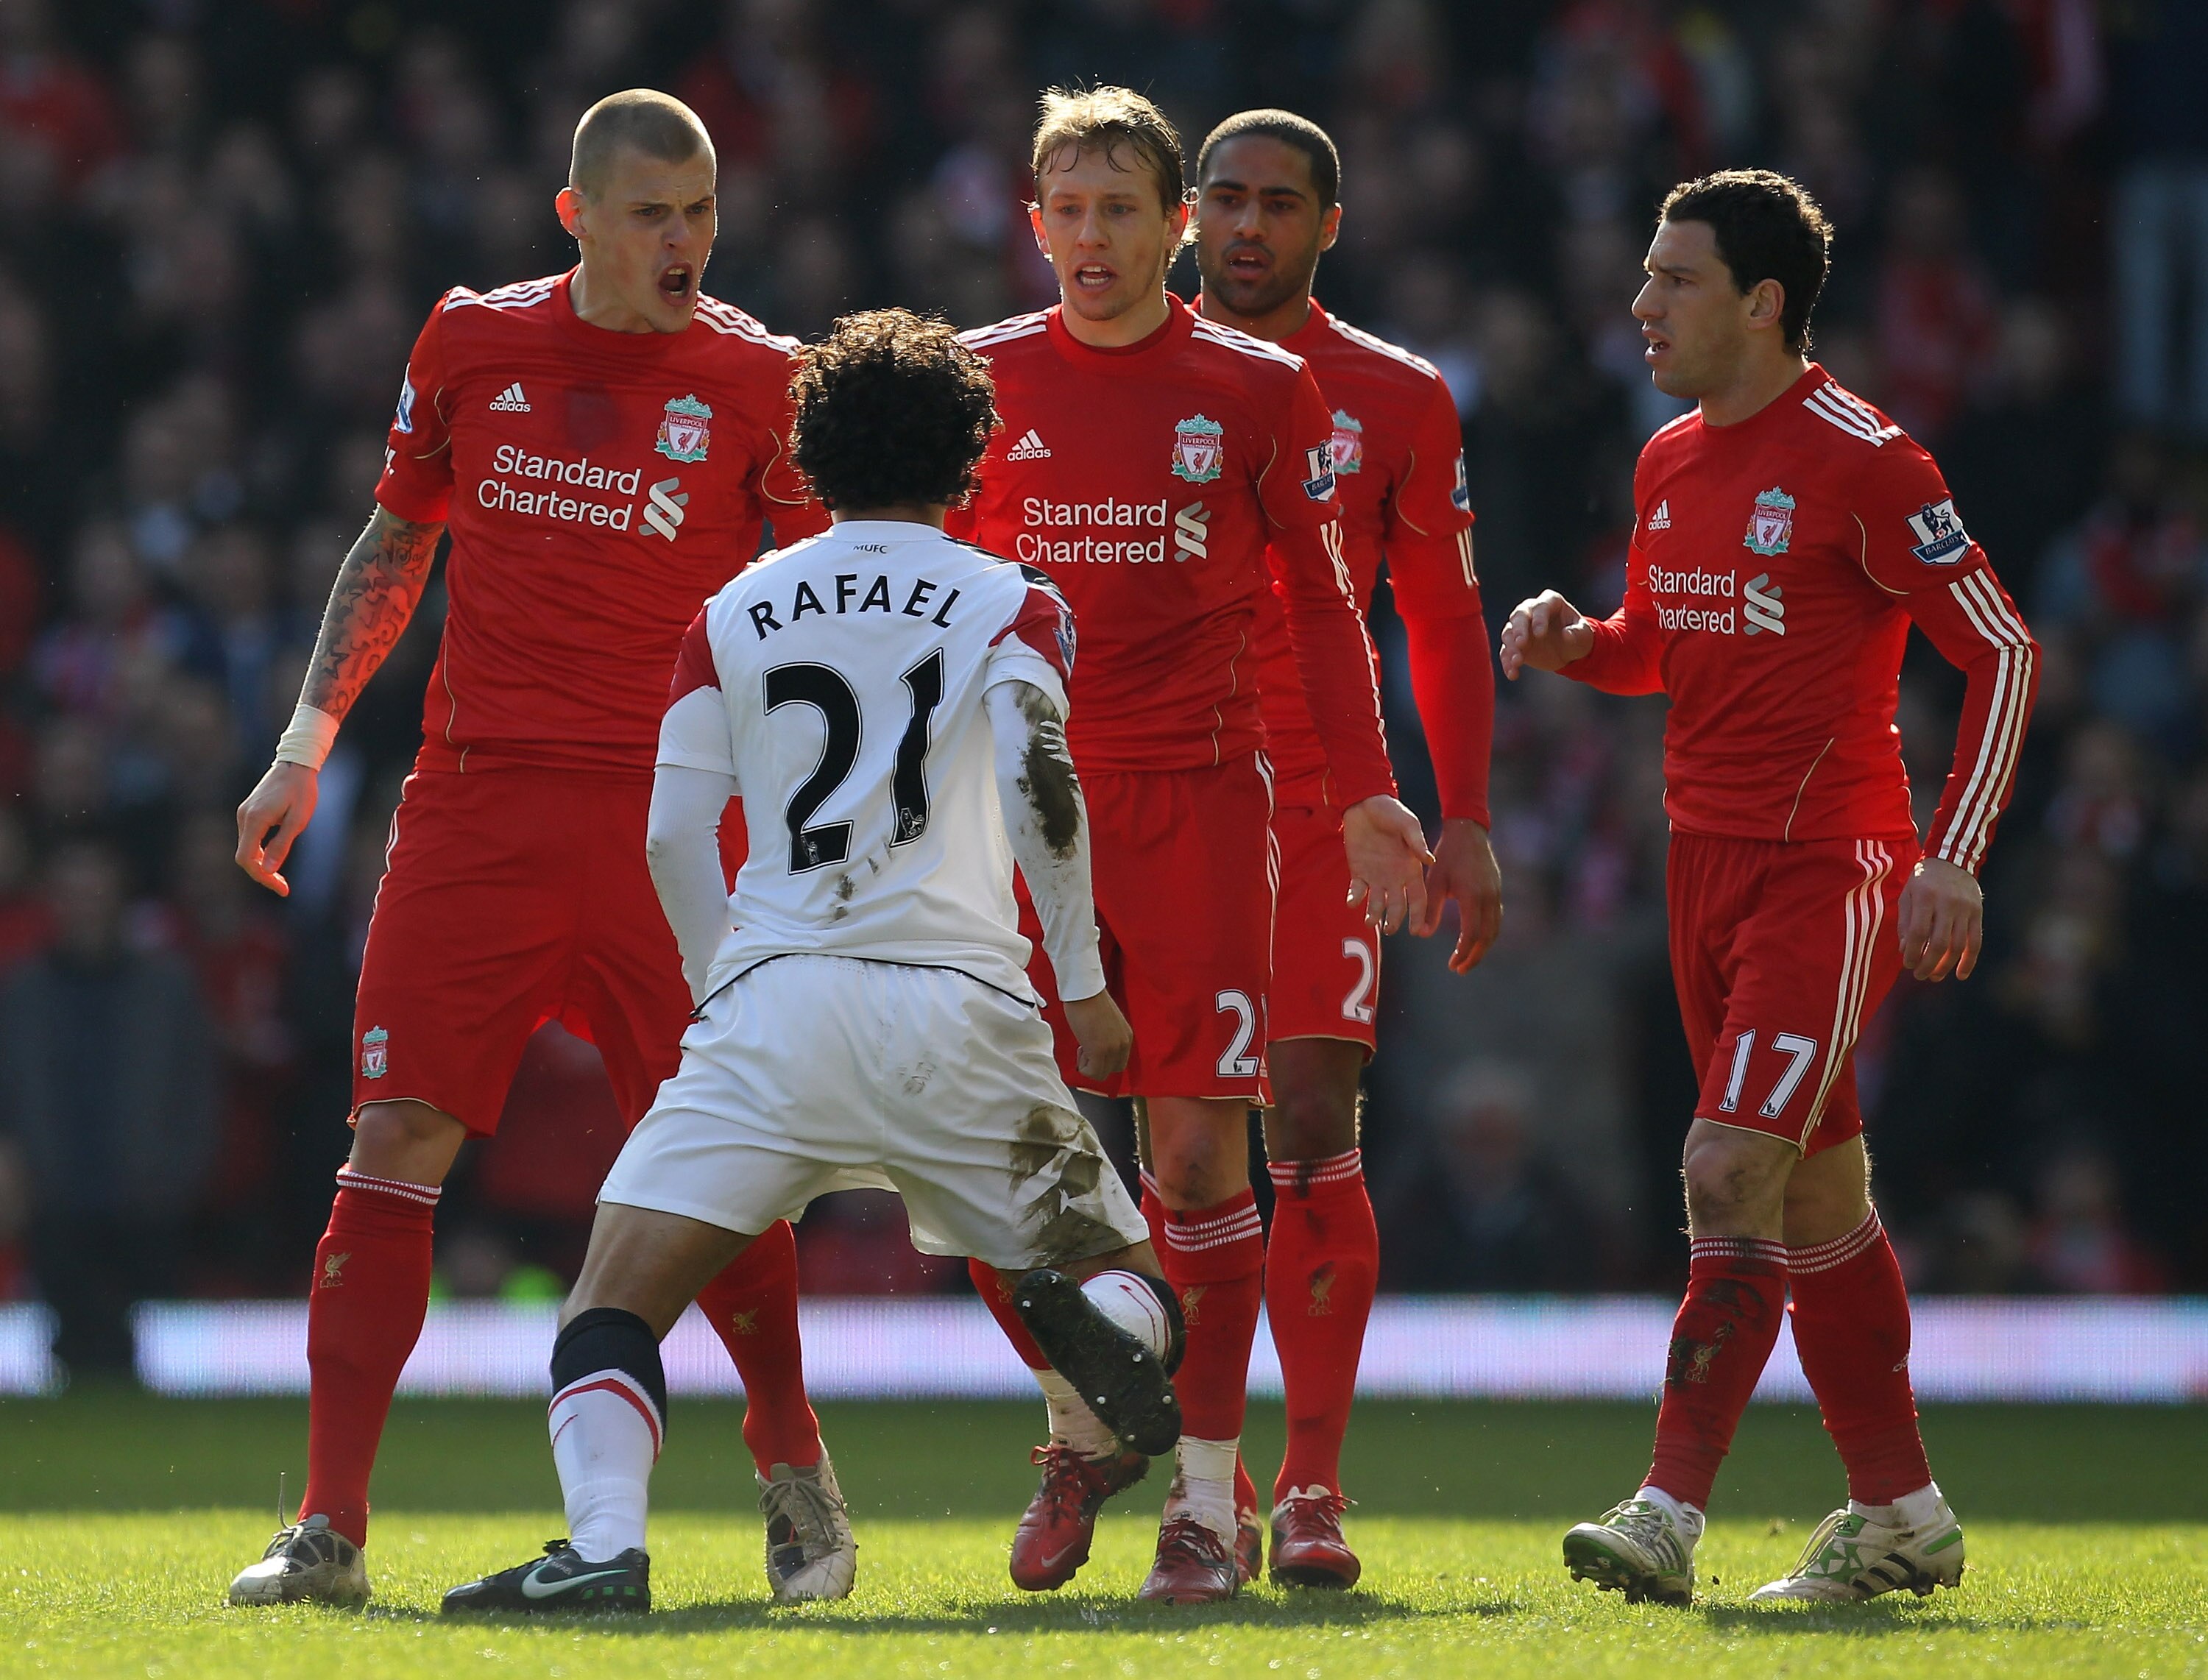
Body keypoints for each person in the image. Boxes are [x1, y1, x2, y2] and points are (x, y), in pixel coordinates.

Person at [442, 307, 1181, 1616]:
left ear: (810, 451)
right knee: (1121, 1278)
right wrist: (1083, 986)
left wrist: (721, 980)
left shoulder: (731, 610)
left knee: (612, 1295)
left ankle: (607, 1547)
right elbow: (1040, 783)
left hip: (775, 1005)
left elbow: (673, 827)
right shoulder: (1012, 602)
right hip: (959, 1004)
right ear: (968, 461)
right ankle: (1106, 1347)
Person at [226, 90, 843, 1609]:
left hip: (675, 821)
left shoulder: (761, 379)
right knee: (394, 1140)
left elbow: (818, 603)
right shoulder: (469, 343)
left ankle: (792, 1471)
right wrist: (305, 744)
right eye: (654, 213)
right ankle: (329, 1526)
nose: (686, 239)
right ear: (578, 217)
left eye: (702, 209)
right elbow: (395, 542)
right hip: (477, 806)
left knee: (723, 1165)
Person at [1501, 169, 2038, 1606]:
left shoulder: (1871, 460)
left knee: (1724, 1165)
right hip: (1703, 865)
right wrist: (1579, 641)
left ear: (1762, 302)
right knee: (1809, 1196)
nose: (1640, 306)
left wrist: (1952, 855)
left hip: (1830, 865)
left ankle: (1668, 1507)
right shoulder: (1669, 456)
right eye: (1643, 276)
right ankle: (1902, 1512)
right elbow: (1660, 642)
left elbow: (2002, 651)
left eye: (1673, 281)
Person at [949, 87, 1432, 1606]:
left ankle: (1209, 1503)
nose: (1092, 238)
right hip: (1027, 813)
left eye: (1120, 210)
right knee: (998, 1153)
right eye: (1066, 211)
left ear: (1176, 225)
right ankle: (1085, 1419)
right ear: (1037, 225)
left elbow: (1319, 601)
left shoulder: (1258, 384)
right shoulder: (978, 381)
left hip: (1205, 811)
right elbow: (937, 604)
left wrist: (1362, 788)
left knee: (1203, 1154)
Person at [1186, 107, 1502, 1589]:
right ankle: (1206, 1469)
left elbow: (1435, 619)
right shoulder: (1117, 367)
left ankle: (1309, 1482)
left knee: (1311, 1113)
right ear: (1188, 214)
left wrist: (1468, 813)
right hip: (1148, 793)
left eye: (1280, 203)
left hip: (1321, 803)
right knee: (1174, 1141)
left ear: (1331, 224)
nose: (1249, 225)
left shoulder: (1397, 394)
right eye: (1227, 198)